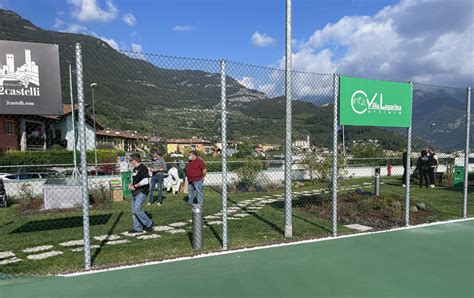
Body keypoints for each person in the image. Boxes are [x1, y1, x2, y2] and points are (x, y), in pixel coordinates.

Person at [128, 153, 154, 233]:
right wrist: (131, 184)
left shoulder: (143, 168)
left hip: (142, 191)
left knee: (137, 208)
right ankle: (137, 228)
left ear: (135, 160)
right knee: (133, 210)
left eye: (130, 160)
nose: (130, 162)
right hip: (135, 191)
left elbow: (145, 181)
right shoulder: (135, 169)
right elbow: (135, 178)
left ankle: (149, 223)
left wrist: (135, 186)